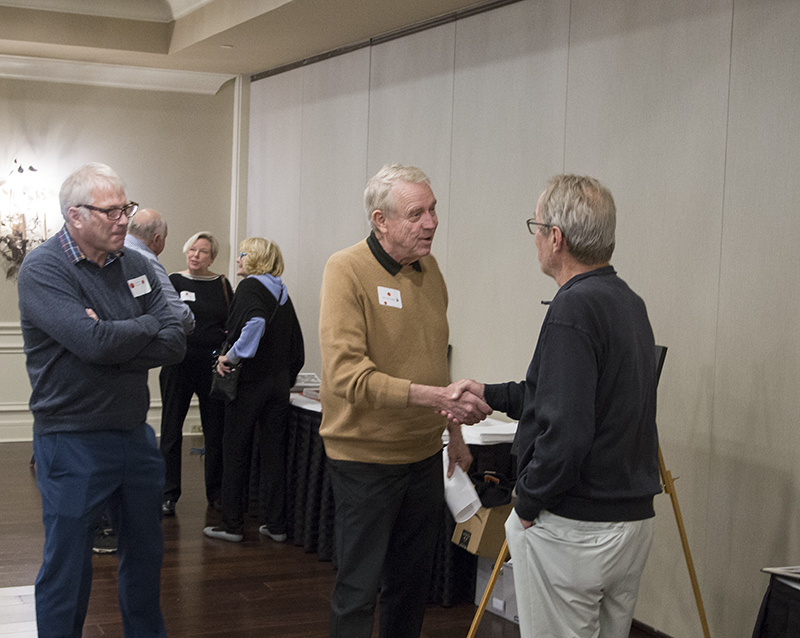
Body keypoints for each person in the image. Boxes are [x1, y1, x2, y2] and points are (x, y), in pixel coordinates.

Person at [450, 175, 661, 638]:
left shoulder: (574, 309)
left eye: (537, 226)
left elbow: (566, 431)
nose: (536, 239)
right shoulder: (629, 302)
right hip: (629, 521)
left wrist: (526, 504)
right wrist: (490, 392)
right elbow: (566, 397)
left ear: (556, 238)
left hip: (575, 527)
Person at [318, 164, 492, 638]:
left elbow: (435, 360)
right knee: (358, 591)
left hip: (423, 458)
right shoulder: (346, 269)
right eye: (417, 213)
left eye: (433, 209)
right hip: (364, 460)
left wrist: (453, 430)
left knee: (410, 588)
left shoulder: (430, 270)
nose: (432, 222)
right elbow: (346, 376)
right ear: (381, 220)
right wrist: (437, 398)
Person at [17, 163, 186, 637]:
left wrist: (117, 336)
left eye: (125, 208)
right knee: (67, 568)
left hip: (134, 435)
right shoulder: (44, 268)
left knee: (146, 558)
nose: (123, 220)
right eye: (110, 211)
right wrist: (140, 328)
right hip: (71, 438)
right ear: (74, 216)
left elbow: (175, 341)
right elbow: (93, 342)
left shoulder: (134, 263)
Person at [203, 237, 305, 543]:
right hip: (278, 386)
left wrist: (231, 356)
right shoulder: (282, 291)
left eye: (243, 254)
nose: (238, 259)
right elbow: (295, 343)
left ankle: (232, 525)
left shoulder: (249, 287)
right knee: (273, 454)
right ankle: (276, 525)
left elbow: (255, 323)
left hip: (250, 385)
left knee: (235, 450)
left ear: (257, 259)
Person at [159, 232, 233, 515]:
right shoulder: (173, 281)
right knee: (170, 430)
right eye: (192, 249)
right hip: (177, 364)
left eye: (202, 252)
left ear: (212, 257)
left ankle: (216, 492)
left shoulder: (222, 284)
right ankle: (168, 494)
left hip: (212, 367)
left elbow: (232, 323)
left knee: (215, 430)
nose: (195, 255)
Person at [125, 207, 196, 336]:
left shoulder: (114, 250)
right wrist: (190, 323)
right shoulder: (146, 260)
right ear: (156, 239)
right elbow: (178, 315)